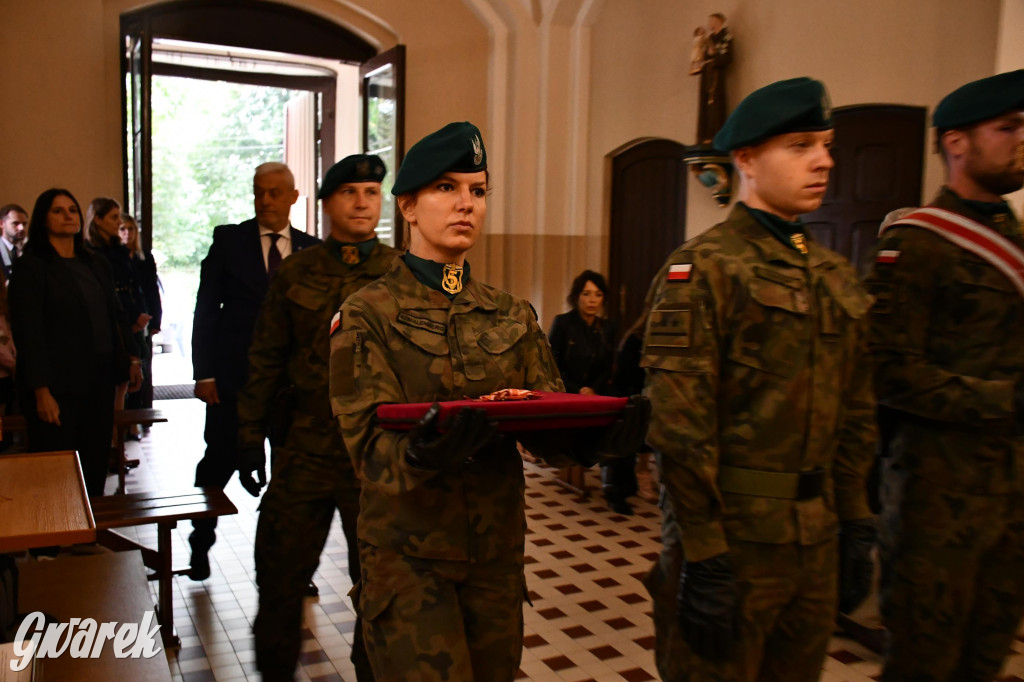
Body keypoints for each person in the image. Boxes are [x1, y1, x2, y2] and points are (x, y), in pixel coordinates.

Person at [329, 122, 649, 680]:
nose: (466, 205)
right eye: (447, 188)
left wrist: (599, 441)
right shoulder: (367, 312)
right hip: (410, 559)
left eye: (477, 191)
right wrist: (421, 454)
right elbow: (363, 446)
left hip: (495, 557)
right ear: (407, 206)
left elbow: (545, 426)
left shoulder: (510, 313)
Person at [642, 78, 877, 682]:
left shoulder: (833, 274)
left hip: (815, 539)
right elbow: (678, 426)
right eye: (800, 145)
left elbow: (855, 410)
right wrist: (704, 552)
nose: (824, 160)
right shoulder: (706, 268)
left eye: (825, 144)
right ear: (745, 159)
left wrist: (855, 520)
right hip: (734, 544)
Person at [864, 69, 1024, 682]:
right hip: (939, 504)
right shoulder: (918, 246)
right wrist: (1004, 401)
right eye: (1006, 128)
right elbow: (889, 371)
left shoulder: (1011, 237)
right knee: (924, 665)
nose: (1020, 140)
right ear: (957, 144)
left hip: (1009, 498)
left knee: (985, 658)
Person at [236, 154, 397, 681]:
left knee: (380, 589)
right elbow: (265, 355)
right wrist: (248, 433)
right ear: (326, 203)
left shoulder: (401, 273)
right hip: (304, 447)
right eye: (350, 192)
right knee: (280, 581)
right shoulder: (297, 271)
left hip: (374, 456)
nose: (361, 202)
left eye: (371, 193)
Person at [190, 162, 320, 580]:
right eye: (259, 192)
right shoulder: (229, 241)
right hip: (234, 381)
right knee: (219, 462)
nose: (265, 200)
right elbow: (206, 309)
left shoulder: (312, 250)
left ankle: (293, 571)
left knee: (291, 478)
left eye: (275, 193)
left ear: (292, 197)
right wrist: (204, 372)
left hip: (292, 389)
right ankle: (200, 543)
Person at [7, 189, 141, 496]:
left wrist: (132, 358)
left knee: (94, 457)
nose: (68, 216)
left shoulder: (94, 263)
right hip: (57, 383)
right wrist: (41, 390)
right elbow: (29, 333)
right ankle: (50, 543)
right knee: (56, 463)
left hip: (99, 376)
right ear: (44, 218)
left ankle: (86, 539)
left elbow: (116, 314)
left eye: (72, 210)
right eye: (58, 211)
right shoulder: (33, 266)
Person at [548, 270, 629, 513]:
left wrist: (593, 388)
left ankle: (614, 484)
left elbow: (607, 367)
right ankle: (576, 467)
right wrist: (577, 390)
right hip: (567, 391)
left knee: (623, 418)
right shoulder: (563, 324)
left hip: (596, 391)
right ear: (577, 297)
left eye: (598, 294)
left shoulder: (607, 327)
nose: (592, 300)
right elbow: (553, 365)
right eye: (586, 294)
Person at [85, 198, 150, 426]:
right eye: (114, 217)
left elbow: (130, 288)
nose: (118, 222)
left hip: (127, 318)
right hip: (109, 325)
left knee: (124, 383)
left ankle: (117, 442)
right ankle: (111, 444)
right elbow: (111, 296)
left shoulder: (119, 250)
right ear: (98, 220)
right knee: (112, 385)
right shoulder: (91, 253)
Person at [120, 214, 162, 413]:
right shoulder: (113, 258)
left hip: (143, 315)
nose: (127, 233)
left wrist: (156, 319)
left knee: (143, 362)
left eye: (130, 229)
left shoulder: (144, 256)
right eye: (122, 229)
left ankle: (137, 413)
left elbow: (152, 290)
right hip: (124, 316)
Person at [697, 12, 733, 144]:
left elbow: (727, 58)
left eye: (711, 20)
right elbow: (702, 55)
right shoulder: (710, 38)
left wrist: (714, 55)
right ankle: (705, 134)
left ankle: (715, 135)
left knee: (715, 104)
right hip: (707, 74)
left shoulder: (726, 37)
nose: (709, 24)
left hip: (716, 75)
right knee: (706, 105)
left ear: (718, 21)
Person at [0, 204, 27, 282]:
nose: (21, 228)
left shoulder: (30, 250)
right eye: (16, 223)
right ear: (1, 223)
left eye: (24, 224)